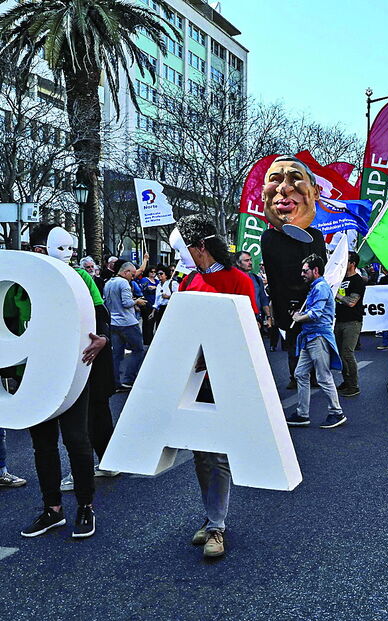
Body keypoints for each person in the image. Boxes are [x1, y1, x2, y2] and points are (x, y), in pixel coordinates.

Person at [17, 223, 110, 539]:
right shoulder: (20, 281)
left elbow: (102, 316)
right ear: (36, 251)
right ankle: (52, 510)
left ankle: (85, 506)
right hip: (34, 373)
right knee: (42, 444)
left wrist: (104, 339)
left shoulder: (82, 278)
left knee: (76, 440)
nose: (66, 256)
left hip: (72, 371)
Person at [174, 214, 258, 559]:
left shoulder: (239, 280)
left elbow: (248, 334)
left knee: (218, 454)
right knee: (199, 453)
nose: (185, 255)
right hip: (193, 382)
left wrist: (211, 356)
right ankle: (211, 516)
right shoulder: (189, 281)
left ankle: (217, 527)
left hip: (224, 379)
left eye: (187, 248)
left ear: (201, 247)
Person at [259, 156, 327, 390]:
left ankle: (314, 376)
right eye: (275, 180)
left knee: (313, 342)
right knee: (292, 342)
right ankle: (296, 376)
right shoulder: (268, 238)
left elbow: (321, 269)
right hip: (285, 304)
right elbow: (274, 274)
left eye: (295, 179)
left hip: (310, 303)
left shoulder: (315, 237)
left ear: (315, 192)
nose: (284, 188)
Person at [286, 254, 346, 429]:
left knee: (323, 376)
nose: (302, 274)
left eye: (305, 271)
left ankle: (336, 412)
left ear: (316, 270)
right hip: (309, 337)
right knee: (300, 374)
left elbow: (315, 314)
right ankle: (302, 414)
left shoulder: (320, 287)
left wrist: (298, 317)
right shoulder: (315, 287)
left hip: (318, 337)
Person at [103, 262, 147, 389]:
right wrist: (137, 301)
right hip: (127, 322)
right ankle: (129, 379)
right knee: (138, 350)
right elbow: (127, 303)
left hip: (113, 322)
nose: (132, 277)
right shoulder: (123, 283)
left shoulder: (109, 282)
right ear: (126, 272)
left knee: (116, 354)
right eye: (132, 274)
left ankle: (115, 382)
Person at [334, 251, 366, 398]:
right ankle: (346, 381)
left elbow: (352, 302)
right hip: (339, 320)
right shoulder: (340, 278)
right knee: (340, 354)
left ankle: (353, 386)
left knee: (347, 353)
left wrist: (337, 295)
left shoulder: (358, 281)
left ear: (352, 264)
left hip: (352, 322)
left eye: (346, 261)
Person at [233, 251, 273, 331]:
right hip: (238, 320)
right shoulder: (233, 279)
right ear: (238, 263)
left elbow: (263, 299)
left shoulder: (257, 279)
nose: (250, 263)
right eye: (246, 261)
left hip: (257, 320)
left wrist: (268, 317)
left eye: (250, 260)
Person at [137, 267, 159, 344]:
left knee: (153, 323)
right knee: (147, 322)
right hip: (146, 303)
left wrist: (155, 288)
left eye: (154, 272)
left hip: (155, 304)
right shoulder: (144, 280)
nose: (153, 273)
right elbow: (142, 288)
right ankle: (147, 340)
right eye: (151, 272)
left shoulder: (157, 281)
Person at [152, 266, 177, 330]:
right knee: (159, 328)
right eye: (157, 274)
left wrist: (168, 297)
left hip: (169, 308)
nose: (159, 275)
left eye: (161, 273)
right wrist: (153, 311)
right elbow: (156, 300)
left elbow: (178, 297)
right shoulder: (158, 285)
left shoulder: (173, 283)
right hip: (161, 309)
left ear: (166, 274)